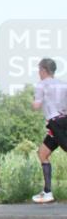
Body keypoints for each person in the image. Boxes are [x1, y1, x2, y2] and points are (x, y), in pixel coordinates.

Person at [31, 58, 67, 204]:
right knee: (43, 153)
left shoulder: (41, 85)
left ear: (44, 70)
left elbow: (37, 105)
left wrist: (33, 103)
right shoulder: (63, 85)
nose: (38, 72)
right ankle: (47, 191)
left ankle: (48, 192)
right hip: (62, 121)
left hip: (55, 123)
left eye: (39, 69)